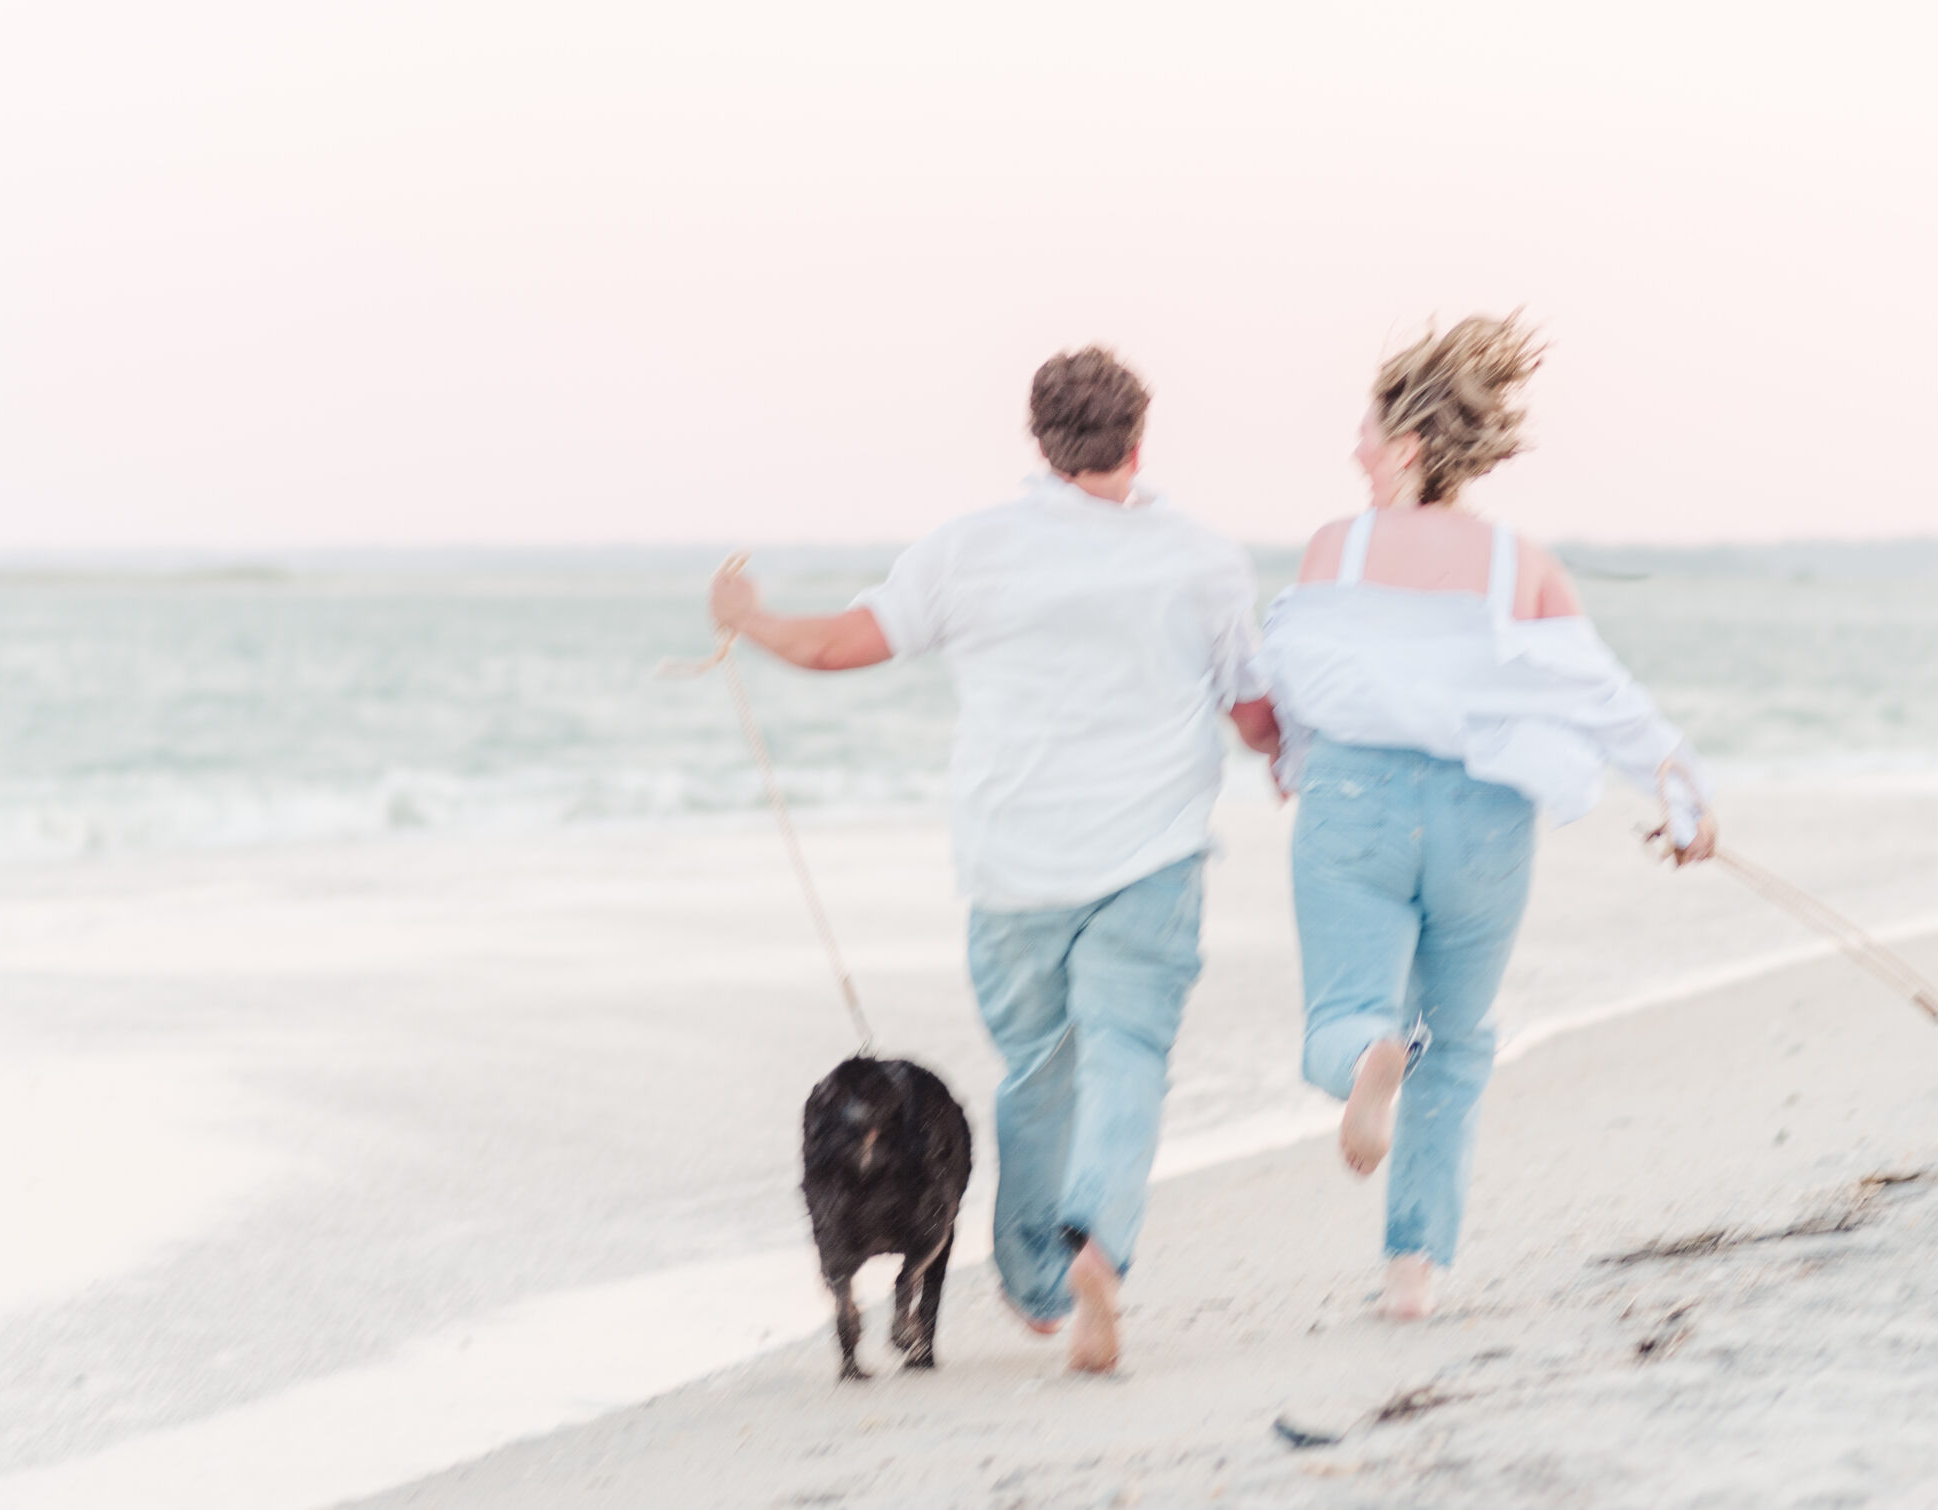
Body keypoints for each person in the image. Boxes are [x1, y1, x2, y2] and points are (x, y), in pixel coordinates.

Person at [709, 347, 1278, 1374]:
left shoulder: (969, 549)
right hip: (1154, 853)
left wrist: (747, 616)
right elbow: (1252, 710)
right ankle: (1098, 1240)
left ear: (1039, 437)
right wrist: (1294, 748)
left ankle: (1031, 1274)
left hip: (1013, 864)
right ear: (1136, 442)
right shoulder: (1201, 555)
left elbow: (837, 645)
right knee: (1127, 1058)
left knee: (1037, 1070)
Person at [1261, 314, 1716, 1322]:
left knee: (1345, 1015)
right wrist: (1681, 795)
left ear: (1411, 447)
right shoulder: (1521, 563)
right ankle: (1412, 1274)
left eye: (1369, 436)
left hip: (1356, 800)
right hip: (1484, 819)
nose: (1356, 453)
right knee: (1456, 1043)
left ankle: (1367, 1060)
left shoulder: (1334, 549)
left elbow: (1292, 671)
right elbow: (1600, 693)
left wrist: (1288, 762)